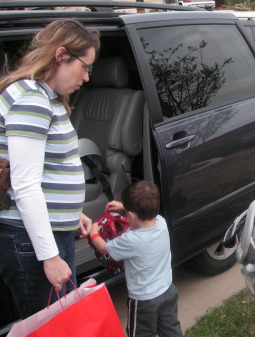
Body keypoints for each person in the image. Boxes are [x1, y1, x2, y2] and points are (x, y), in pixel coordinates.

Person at [0, 19, 100, 319]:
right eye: (85, 67)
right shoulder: (32, 99)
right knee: (54, 324)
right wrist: (50, 257)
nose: (86, 77)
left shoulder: (44, 96)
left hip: (45, 233)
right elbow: (26, 185)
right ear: (60, 56)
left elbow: (45, 171)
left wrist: (72, 214)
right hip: (31, 241)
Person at [90, 180, 183, 337]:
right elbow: (142, 214)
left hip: (144, 301)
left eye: (126, 212)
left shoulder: (131, 240)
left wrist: (94, 233)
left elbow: (104, 248)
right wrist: (124, 207)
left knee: (141, 334)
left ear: (132, 215)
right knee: (170, 328)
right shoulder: (161, 222)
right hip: (168, 290)